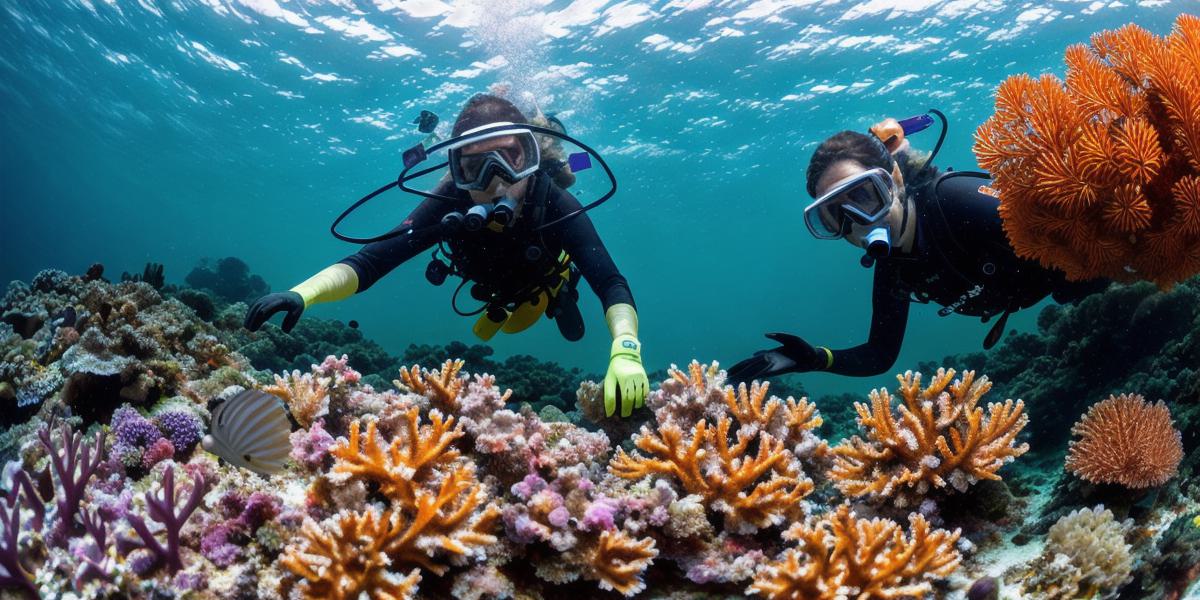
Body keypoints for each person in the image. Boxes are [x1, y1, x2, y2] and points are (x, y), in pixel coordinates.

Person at [245, 94, 649, 417]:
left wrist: (626, 349)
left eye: (509, 159)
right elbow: (371, 261)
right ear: (456, 169)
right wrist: (303, 294)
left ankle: (560, 295)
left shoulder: (553, 201)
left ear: (529, 158)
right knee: (497, 329)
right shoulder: (448, 201)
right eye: (475, 166)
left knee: (551, 321)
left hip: (542, 279)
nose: (494, 181)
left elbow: (610, 281)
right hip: (491, 291)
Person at [728, 118, 1109, 383]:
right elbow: (880, 355)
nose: (857, 221)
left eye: (862, 195)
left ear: (893, 179)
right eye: (834, 216)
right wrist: (814, 359)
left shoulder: (959, 202)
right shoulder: (895, 268)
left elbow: (1077, 224)